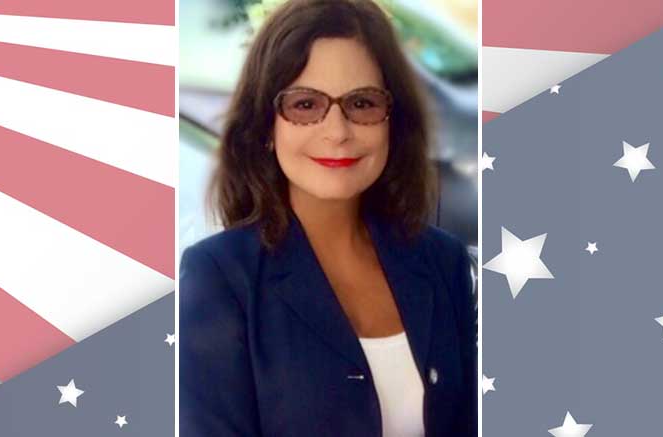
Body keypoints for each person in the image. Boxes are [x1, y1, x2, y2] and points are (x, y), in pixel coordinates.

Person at [179, 0, 477, 435]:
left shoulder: (445, 263)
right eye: (304, 105)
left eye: (362, 103)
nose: (337, 131)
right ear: (265, 126)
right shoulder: (219, 276)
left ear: (394, 121)